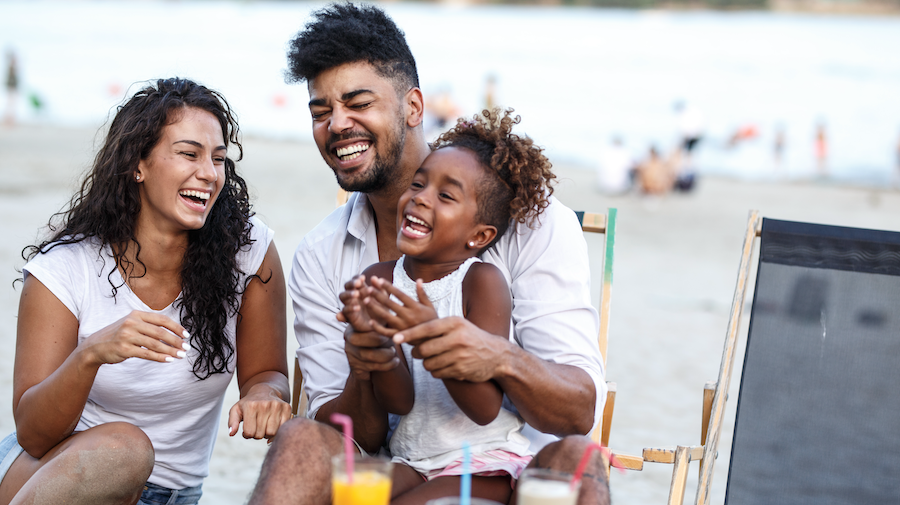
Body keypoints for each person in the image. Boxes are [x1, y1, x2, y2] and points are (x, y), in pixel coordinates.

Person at [249, 4, 608, 505]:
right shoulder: (323, 255)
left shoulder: (532, 221)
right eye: (320, 112)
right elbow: (358, 433)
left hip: (516, 470)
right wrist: (366, 361)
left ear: (414, 107)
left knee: (579, 458)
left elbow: (576, 411)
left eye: (358, 103)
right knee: (301, 438)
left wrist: (495, 355)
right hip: (406, 465)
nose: (336, 125)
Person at [1, 77, 292, 505]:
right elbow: (33, 432)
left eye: (218, 158)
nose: (209, 174)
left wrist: (266, 396)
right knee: (126, 448)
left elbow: (268, 373)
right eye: (188, 154)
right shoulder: (67, 266)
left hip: (174, 495)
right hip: (50, 478)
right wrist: (91, 355)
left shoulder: (247, 253)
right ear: (138, 164)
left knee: (130, 451)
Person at [337, 109, 556, 503]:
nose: (420, 198)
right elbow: (399, 402)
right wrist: (375, 344)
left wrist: (431, 336)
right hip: (411, 458)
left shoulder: (481, 283)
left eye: (445, 195)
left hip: (481, 460)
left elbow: (484, 408)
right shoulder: (380, 278)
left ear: (479, 235)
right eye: (418, 184)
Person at [3, 50, 18, 126]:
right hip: (11, 88)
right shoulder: (11, 68)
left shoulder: (12, 68)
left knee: (11, 105)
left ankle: (10, 120)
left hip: (12, 88)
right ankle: (8, 120)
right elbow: (11, 80)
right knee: (10, 105)